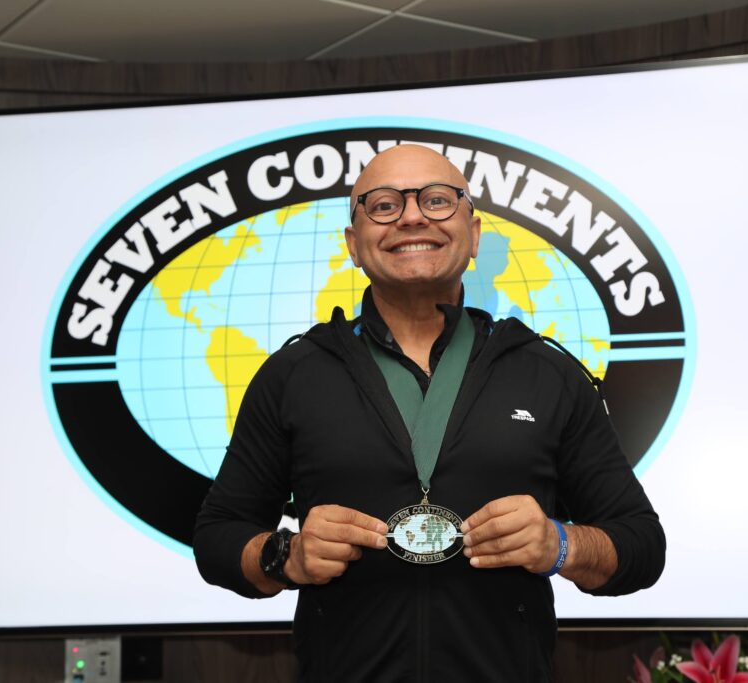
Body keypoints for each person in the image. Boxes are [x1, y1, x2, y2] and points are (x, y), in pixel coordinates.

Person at [194, 144, 665, 682]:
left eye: (438, 200)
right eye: (384, 205)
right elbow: (217, 537)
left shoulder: (547, 374)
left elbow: (642, 547)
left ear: (474, 234)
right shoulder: (293, 375)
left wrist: (560, 545)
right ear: (353, 244)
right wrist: (286, 555)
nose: (413, 216)